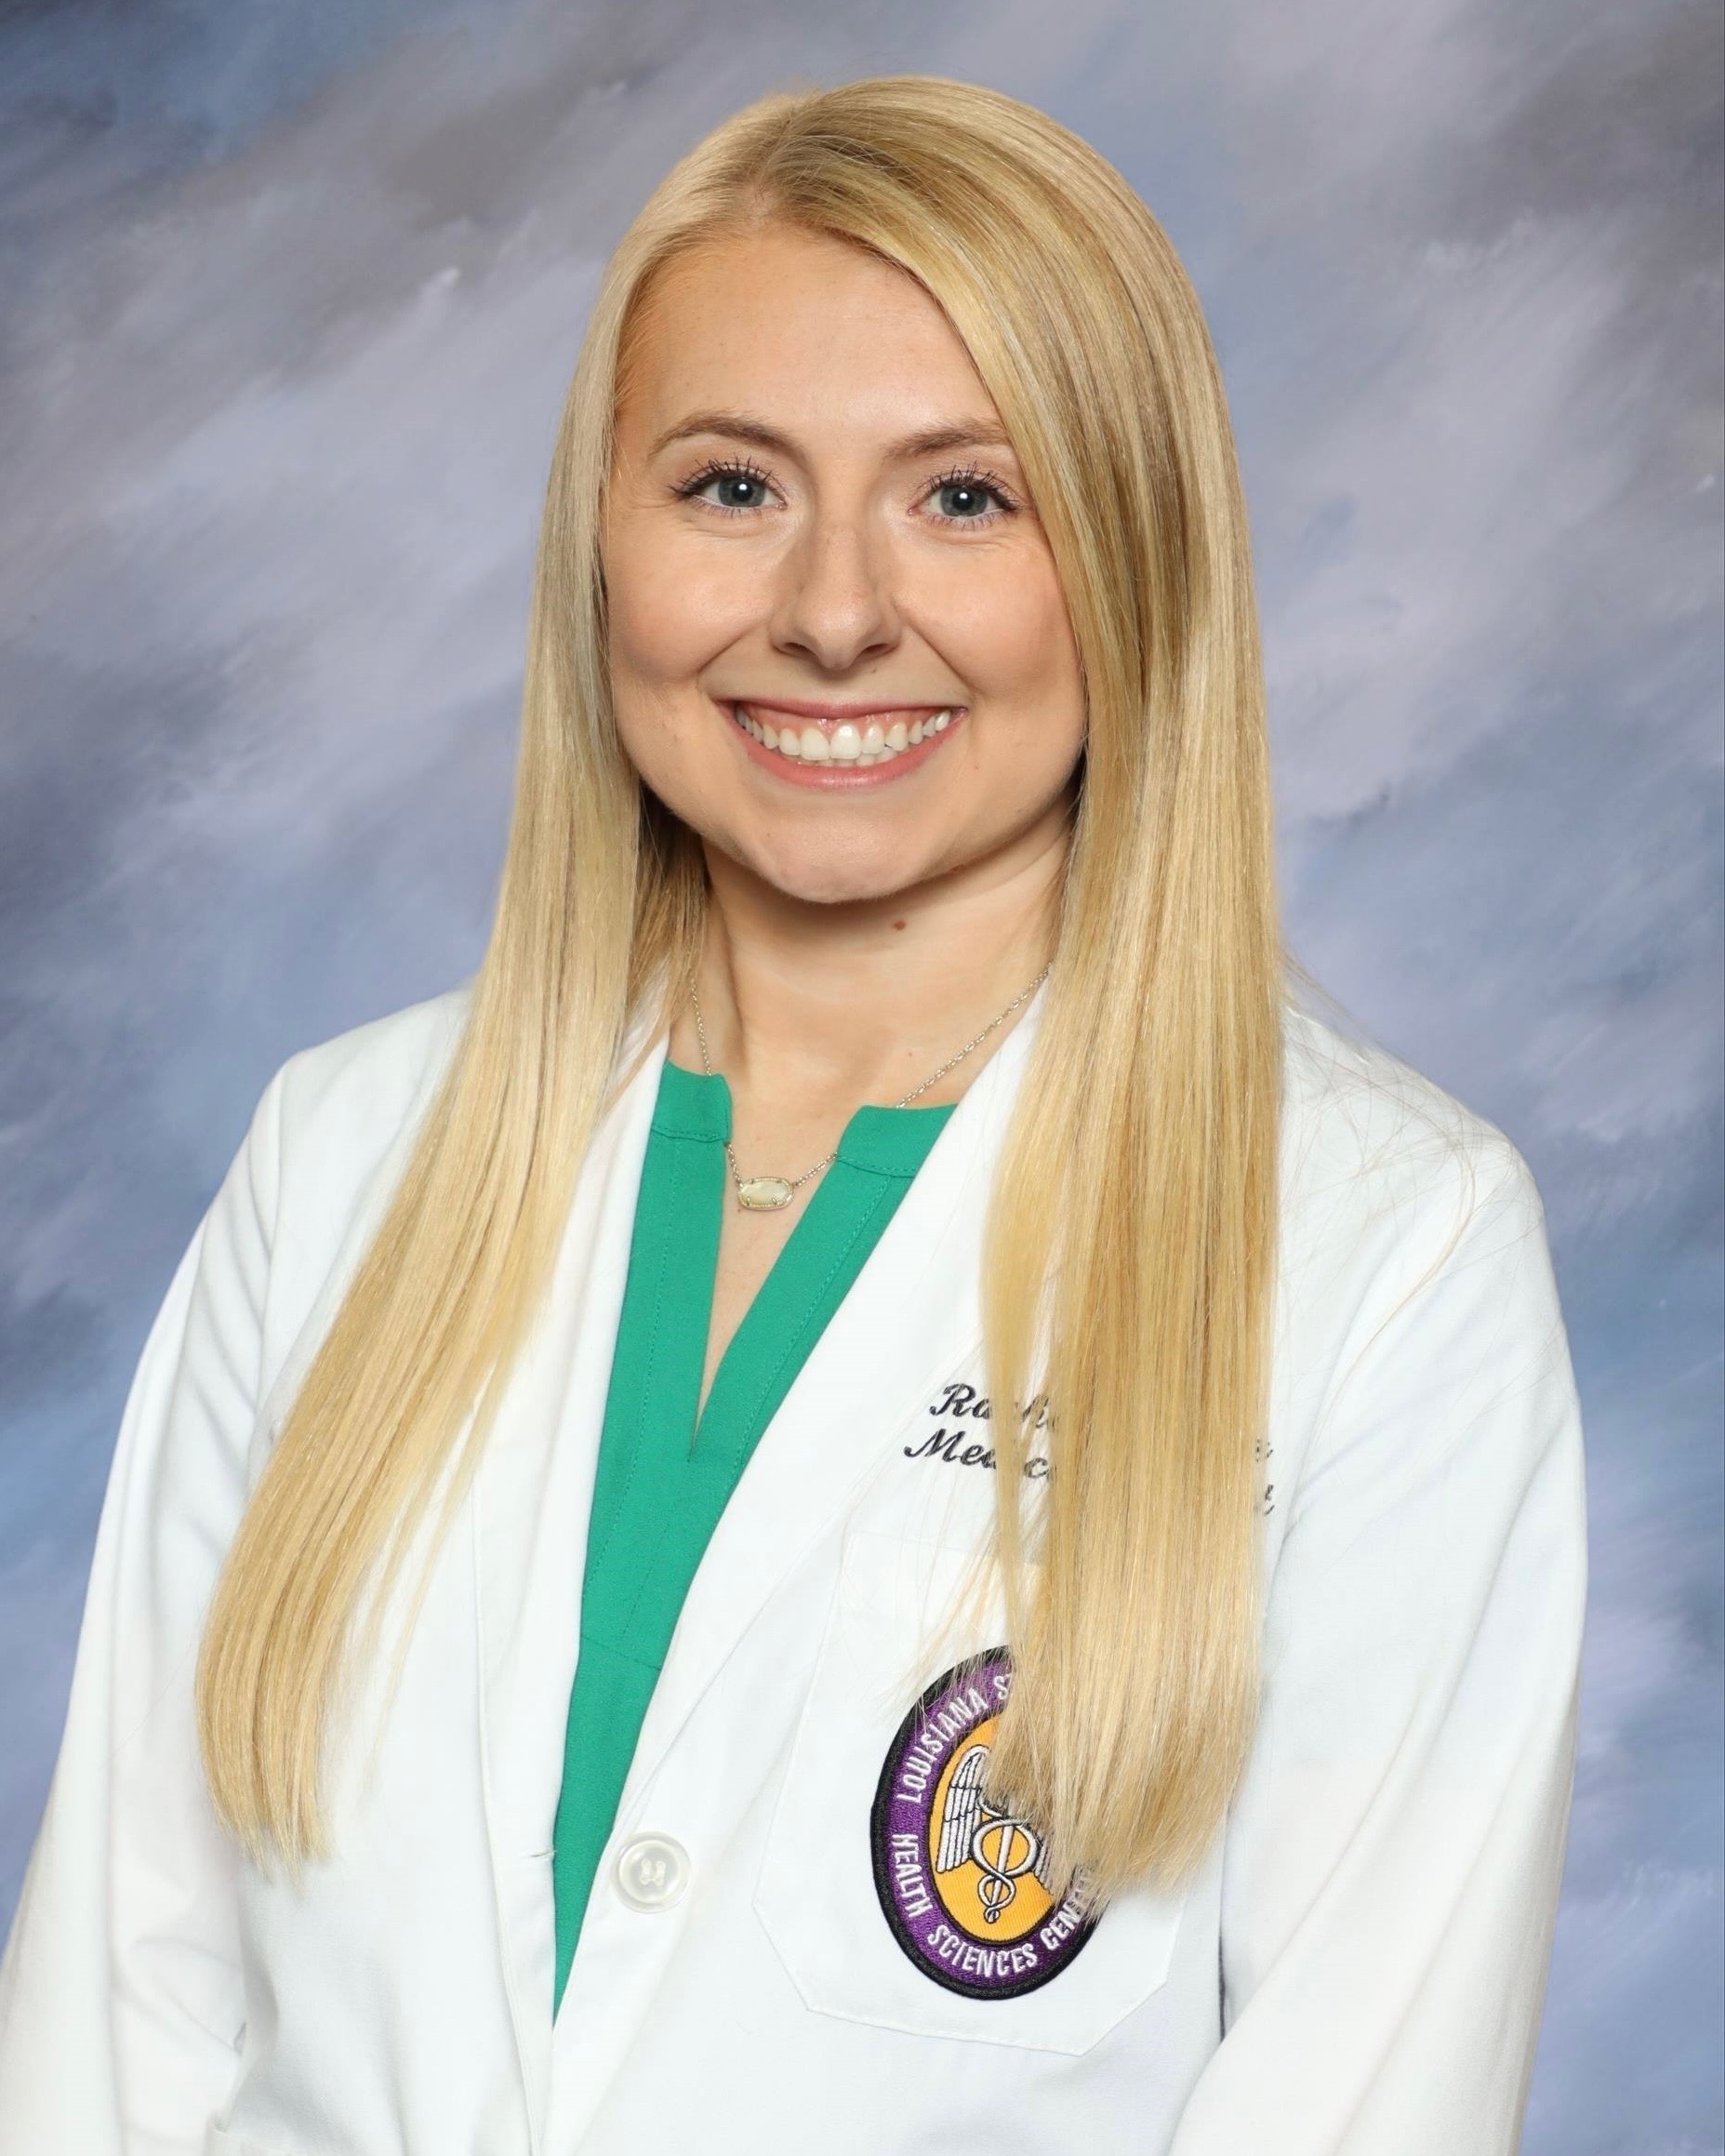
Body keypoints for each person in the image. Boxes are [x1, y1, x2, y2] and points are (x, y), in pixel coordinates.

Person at [0, 76, 1586, 2156]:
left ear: (1132, 557)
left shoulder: (1385, 1253)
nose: (833, 612)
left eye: (963, 498)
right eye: (732, 488)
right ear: (603, 539)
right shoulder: (344, 1159)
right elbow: (116, 2024)